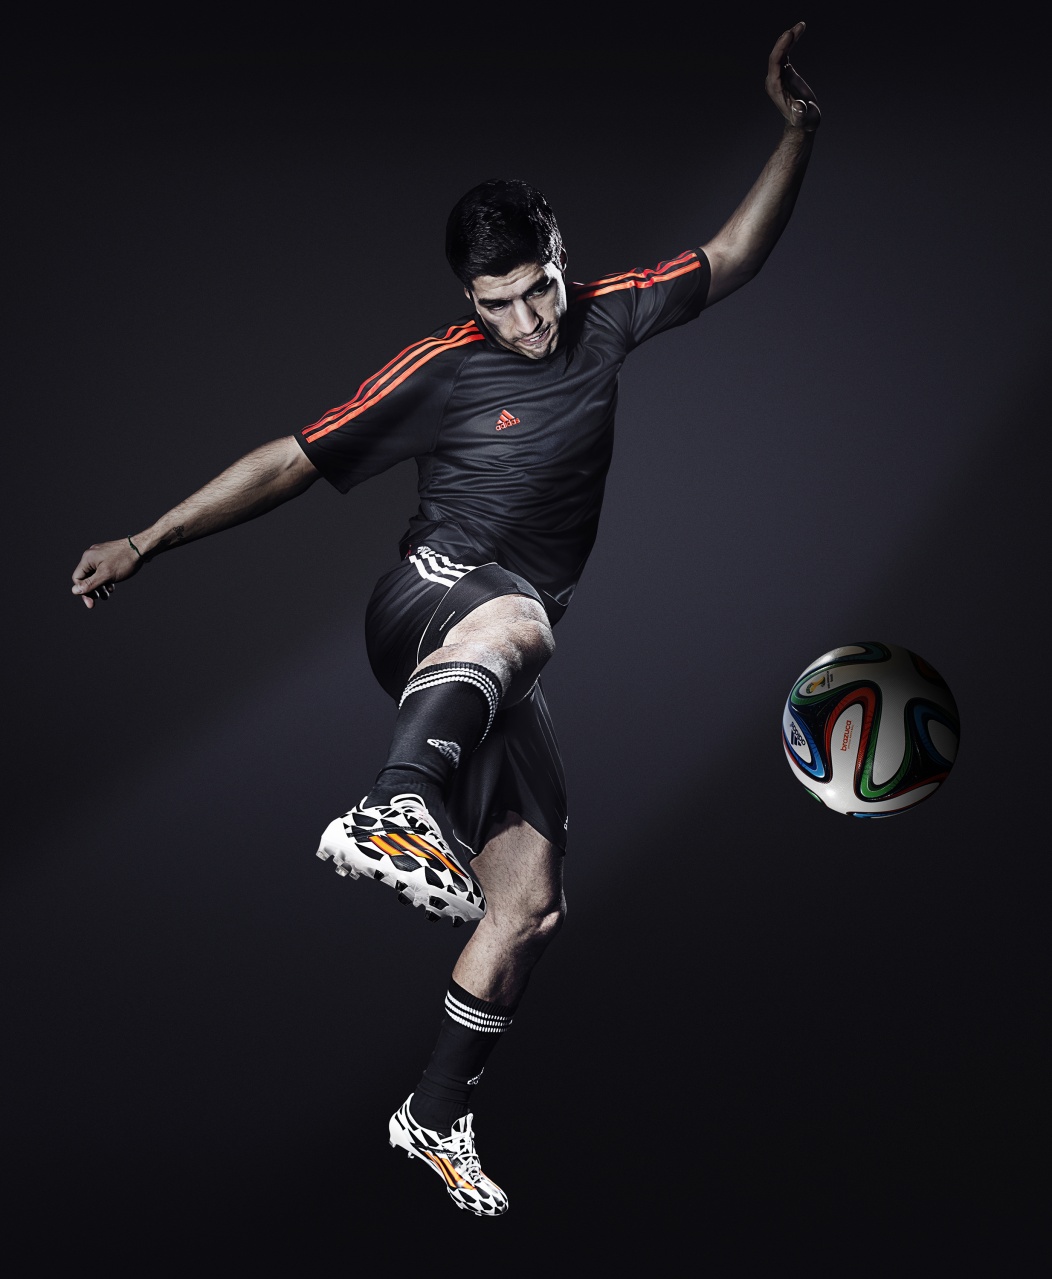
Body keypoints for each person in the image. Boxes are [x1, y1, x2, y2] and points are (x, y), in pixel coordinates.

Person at [71, 23, 820, 1217]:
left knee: (529, 903)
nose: (526, 322)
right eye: (497, 303)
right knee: (520, 617)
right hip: (427, 604)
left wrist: (797, 132)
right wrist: (149, 539)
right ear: (466, 300)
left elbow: (731, 255)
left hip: (497, 653)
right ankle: (390, 802)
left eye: (537, 290)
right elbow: (291, 458)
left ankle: (433, 1111)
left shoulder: (609, 314)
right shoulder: (439, 367)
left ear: (560, 257)